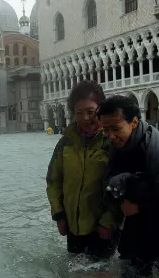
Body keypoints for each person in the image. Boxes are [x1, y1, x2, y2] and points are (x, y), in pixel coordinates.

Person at [96, 95, 159, 276]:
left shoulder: (155, 148)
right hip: (142, 209)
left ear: (134, 122)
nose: (110, 136)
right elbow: (110, 186)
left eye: (116, 128)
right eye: (105, 130)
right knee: (131, 259)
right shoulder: (118, 146)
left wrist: (138, 207)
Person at [45, 81, 121, 258]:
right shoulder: (66, 143)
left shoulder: (112, 142)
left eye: (90, 112)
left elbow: (121, 187)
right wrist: (59, 214)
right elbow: (53, 181)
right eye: (79, 113)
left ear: (101, 109)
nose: (85, 118)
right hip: (74, 228)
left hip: (104, 229)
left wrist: (109, 221)